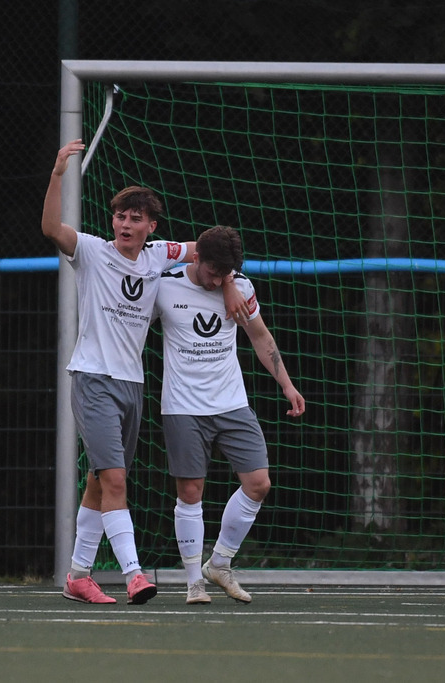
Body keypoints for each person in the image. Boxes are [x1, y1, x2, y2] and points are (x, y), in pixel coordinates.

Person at [42, 139, 248, 605]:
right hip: (93, 378)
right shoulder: (92, 252)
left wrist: (231, 282)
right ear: (112, 221)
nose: (126, 224)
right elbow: (51, 226)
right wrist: (58, 173)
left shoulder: (159, 254)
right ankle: (135, 574)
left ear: (151, 226)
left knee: (100, 481)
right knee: (115, 480)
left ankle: (78, 574)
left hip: (132, 385)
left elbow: (213, 249)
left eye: (136, 218)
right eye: (121, 216)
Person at [153, 225, 305, 605]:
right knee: (190, 493)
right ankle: (193, 582)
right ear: (196, 258)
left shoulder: (240, 288)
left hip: (232, 403)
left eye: (225, 274)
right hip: (183, 406)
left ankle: (219, 564)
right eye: (212, 272)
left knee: (259, 483)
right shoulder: (165, 284)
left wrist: (287, 384)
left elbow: (260, 336)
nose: (217, 279)